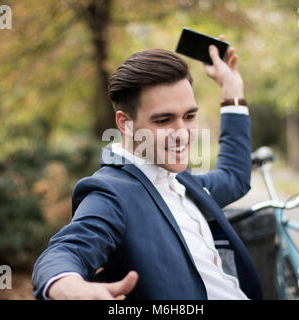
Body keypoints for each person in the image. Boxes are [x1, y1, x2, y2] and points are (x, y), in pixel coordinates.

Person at [32, 35, 263, 300]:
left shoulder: (181, 179)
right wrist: (67, 286)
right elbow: (66, 251)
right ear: (124, 123)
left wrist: (231, 90)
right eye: (164, 120)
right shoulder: (110, 194)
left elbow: (234, 177)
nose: (182, 133)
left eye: (189, 116)